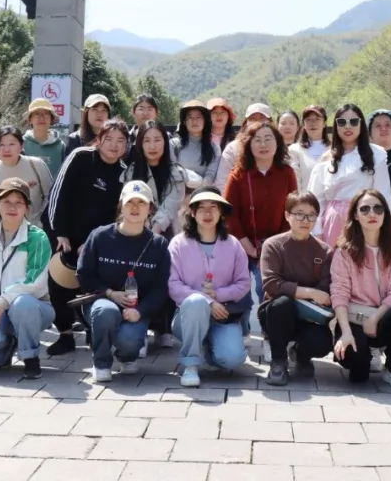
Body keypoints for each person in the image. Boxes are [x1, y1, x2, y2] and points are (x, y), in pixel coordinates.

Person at [46, 119, 129, 355]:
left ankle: (94, 330)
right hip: (64, 233)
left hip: (96, 240)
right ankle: (65, 334)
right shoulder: (80, 157)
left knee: (93, 284)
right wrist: (60, 232)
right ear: (99, 140)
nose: (114, 145)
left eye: (120, 141)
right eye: (109, 139)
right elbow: (59, 194)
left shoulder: (123, 173)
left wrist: (93, 243)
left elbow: (116, 216)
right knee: (59, 284)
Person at [77, 181, 171, 382]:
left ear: (150, 209)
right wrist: (110, 293)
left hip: (136, 308)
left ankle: (127, 357)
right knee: (105, 311)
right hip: (102, 301)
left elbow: (160, 288)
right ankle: (101, 362)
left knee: (129, 340)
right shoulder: (100, 236)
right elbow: (84, 274)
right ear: (121, 206)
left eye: (141, 202)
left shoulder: (158, 245)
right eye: (130, 202)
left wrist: (141, 311)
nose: (135, 208)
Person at [223, 120, 299, 351]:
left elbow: (292, 210)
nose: (263, 145)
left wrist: (275, 244)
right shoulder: (238, 174)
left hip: (277, 245)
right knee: (240, 290)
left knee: (266, 289)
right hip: (241, 245)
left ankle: (270, 336)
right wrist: (246, 244)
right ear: (248, 144)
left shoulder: (287, 173)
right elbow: (229, 213)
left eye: (268, 139)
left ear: (278, 143)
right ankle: (242, 330)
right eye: (257, 140)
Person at [0, 178, 53, 380]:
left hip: (34, 309)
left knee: (24, 304)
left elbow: (35, 281)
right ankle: (3, 354)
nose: (12, 207)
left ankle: (30, 357)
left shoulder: (37, 237)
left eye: (19, 202)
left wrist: (2, 302)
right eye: (6, 201)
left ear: (27, 208)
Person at [168, 187, 251, 387]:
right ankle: (190, 365)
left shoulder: (232, 244)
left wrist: (219, 295)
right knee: (196, 302)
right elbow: (173, 285)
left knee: (232, 359)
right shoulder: (178, 243)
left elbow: (243, 282)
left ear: (221, 212)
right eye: (201, 208)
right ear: (192, 212)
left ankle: (208, 350)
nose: (207, 213)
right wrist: (208, 301)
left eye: (213, 207)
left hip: (223, 316)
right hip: (187, 317)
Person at [330, 190, 391, 388]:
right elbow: (339, 293)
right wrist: (346, 333)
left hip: (384, 317)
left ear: (386, 213)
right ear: (355, 215)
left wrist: (375, 318)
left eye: (378, 208)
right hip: (354, 318)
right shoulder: (344, 251)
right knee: (358, 375)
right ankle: (363, 355)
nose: (372, 214)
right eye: (365, 209)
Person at [258, 191, 334, 386]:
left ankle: (301, 355)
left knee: (324, 341)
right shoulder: (273, 245)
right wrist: (310, 292)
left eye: (311, 215)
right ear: (287, 215)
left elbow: (325, 291)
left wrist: (311, 294)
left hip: (310, 316)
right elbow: (272, 285)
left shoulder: (325, 251)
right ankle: (278, 362)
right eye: (299, 214)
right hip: (276, 315)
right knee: (282, 303)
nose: (305, 220)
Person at [308, 104, 391, 248]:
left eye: (353, 122)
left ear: (361, 125)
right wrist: (317, 232)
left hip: (365, 220)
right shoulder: (326, 158)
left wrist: (381, 228)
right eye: (342, 122)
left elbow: (384, 196)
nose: (348, 126)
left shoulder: (375, 155)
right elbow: (316, 201)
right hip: (332, 223)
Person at [0, 126, 53, 227]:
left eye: (12, 144)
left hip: (35, 227)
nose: (6, 149)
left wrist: (40, 222)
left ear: (21, 146)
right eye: (1, 145)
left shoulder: (37, 165)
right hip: (3, 229)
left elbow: (50, 196)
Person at [128, 119, 191, 237]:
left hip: (168, 231)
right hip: (136, 228)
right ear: (140, 144)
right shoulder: (131, 173)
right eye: (147, 141)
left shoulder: (177, 173)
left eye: (157, 140)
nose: (152, 146)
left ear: (165, 143)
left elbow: (170, 207)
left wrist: (151, 236)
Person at [215, 102, 272, 191]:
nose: (257, 122)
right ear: (246, 123)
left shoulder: (278, 147)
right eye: (252, 118)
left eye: (262, 118)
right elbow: (222, 182)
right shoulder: (233, 148)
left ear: (271, 122)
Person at [171, 100, 221, 187]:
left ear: (205, 121)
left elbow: (210, 175)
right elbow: (172, 170)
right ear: (184, 122)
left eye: (198, 117)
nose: (194, 121)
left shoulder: (214, 149)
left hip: (202, 193)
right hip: (177, 191)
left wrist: (199, 189)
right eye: (190, 118)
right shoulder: (173, 144)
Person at [23, 98, 66, 181]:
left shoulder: (61, 146)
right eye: (36, 114)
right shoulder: (22, 144)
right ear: (30, 119)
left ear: (51, 119)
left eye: (45, 114)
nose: (41, 117)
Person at [64, 94, 111, 158]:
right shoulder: (75, 139)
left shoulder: (114, 139)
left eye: (104, 110)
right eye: (95, 109)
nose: (99, 115)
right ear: (86, 113)